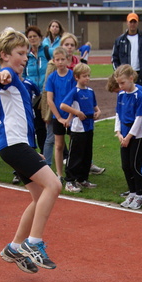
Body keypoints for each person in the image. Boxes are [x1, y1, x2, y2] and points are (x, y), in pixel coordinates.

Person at [0, 28, 61, 273]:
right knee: (54, 185)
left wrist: (33, 150)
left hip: (17, 145)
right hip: (13, 145)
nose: (25, 57)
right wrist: (2, 74)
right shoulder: (8, 76)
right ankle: (33, 243)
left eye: (27, 53)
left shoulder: (21, 82)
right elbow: (2, 77)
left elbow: (20, 118)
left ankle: (15, 246)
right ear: (4, 55)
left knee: (38, 196)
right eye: (20, 53)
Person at [60, 63, 101, 193]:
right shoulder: (74, 91)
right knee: (75, 155)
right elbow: (63, 106)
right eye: (84, 76)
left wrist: (98, 112)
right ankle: (70, 180)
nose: (87, 78)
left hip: (89, 126)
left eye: (88, 76)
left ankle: (82, 179)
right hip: (78, 128)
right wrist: (76, 113)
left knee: (86, 154)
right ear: (77, 77)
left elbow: (95, 106)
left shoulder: (90, 91)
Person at [114, 64, 142, 209]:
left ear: (131, 78)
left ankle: (140, 194)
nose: (121, 86)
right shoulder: (121, 95)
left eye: (123, 83)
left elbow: (139, 118)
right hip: (124, 135)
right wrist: (118, 133)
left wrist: (129, 136)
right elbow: (118, 114)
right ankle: (132, 192)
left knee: (135, 165)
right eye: (118, 83)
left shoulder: (139, 94)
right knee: (125, 166)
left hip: (138, 136)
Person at [45, 46, 77, 183]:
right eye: (57, 59)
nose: (60, 62)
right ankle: (59, 173)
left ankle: (73, 171)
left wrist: (69, 118)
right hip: (57, 117)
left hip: (71, 116)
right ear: (53, 61)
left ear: (67, 59)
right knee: (58, 145)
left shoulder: (72, 76)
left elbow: (75, 97)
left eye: (62, 59)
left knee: (74, 144)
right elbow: (49, 100)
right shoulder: (52, 78)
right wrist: (58, 117)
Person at [111, 12, 142, 94]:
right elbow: (114, 58)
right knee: (126, 101)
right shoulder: (120, 40)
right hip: (125, 77)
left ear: (137, 23)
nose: (132, 24)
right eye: (130, 22)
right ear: (127, 23)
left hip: (141, 77)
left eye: (134, 22)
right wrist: (118, 73)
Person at [23, 25, 50, 152]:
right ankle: (44, 152)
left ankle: (64, 154)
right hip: (34, 96)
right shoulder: (26, 56)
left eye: (35, 36)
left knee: (52, 124)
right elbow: (23, 74)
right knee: (39, 126)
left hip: (47, 93)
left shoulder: (46, 51)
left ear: (40, 37)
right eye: (30, 37)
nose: (32, 39)